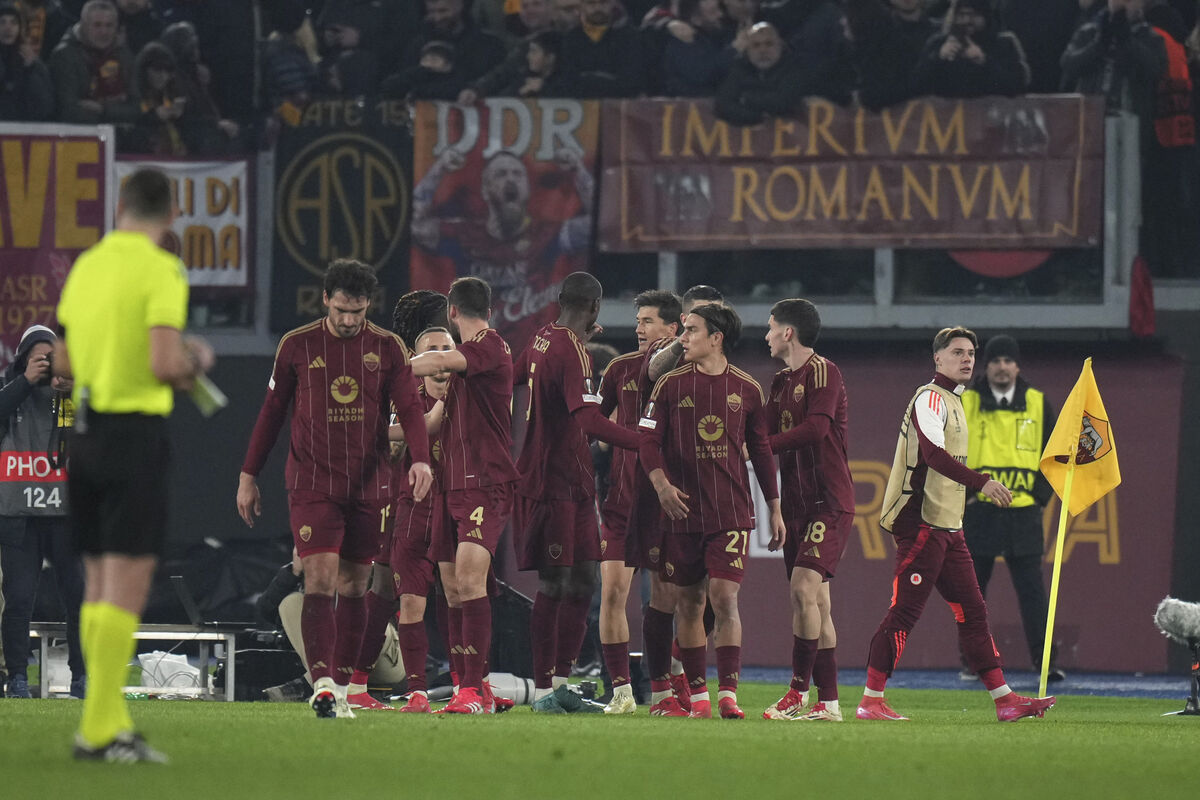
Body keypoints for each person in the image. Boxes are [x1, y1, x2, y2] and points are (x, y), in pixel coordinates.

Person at [55, 167, 215, 761]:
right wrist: (197, 357)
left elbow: (65, 356)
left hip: (87, 432)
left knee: (97, 581)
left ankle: (106, 723)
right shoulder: (161, 268)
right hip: (133, 436)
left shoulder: (87, 264)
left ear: (120, 205)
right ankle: (97, 731)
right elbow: (163, 361)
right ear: (170, 213)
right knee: (126, 582)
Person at [237, 259, 432, 720]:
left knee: (356, 584)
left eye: (358, 312)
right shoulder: (296, 345)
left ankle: (343, 687)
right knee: (320, 577)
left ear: (369, 306)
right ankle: (322, 682)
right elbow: (271, 414)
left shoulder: (387, 348)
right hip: (312, 483)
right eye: (342, 310)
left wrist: (420, 458)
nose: (349, 321)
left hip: (369, 484)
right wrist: (248, 474)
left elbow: (408, 406)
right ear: (326, 299)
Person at [857, 326, 1056, 722]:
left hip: (948, 525)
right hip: (922, 523)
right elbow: (932, 454)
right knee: (905, 612)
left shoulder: (955, 400)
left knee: (974, 612)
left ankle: (1004, 701)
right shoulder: (930, 397)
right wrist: (983, 481)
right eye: (958, 352)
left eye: (970, 353)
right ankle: (870, 700)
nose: (968, 359)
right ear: (937, 359)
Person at [638, 303, 784, 719]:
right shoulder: (668, 385)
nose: (682, 338)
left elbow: (761, 451)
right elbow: (647, 443)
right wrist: (662, 486)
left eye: (691, 331)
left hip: (730, 513)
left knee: (723, 598)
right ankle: (699, 699)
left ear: (716, 337)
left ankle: (729, 695)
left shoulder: (749, 389)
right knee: (688, 603)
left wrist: (774, 507)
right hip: (682, 512)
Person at [510, 272, 641, 710]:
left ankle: (562, 683)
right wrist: (643, 439)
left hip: (575, 483)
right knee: (555, 583)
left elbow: (514, 376)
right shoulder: (572, 352)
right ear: (596, 308)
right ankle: (544, 689)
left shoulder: (544, 337)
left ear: (561, 301)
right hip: (552, 482)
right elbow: (587, 421)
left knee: (585, 578)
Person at [407, 276, 519, 714]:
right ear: (489, 308)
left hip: (484, 483)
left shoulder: (489, 349)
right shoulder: (460, 366)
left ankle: (472, 691)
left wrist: (380, 363)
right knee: (453, 589)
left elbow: (428, 364)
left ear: (452, 312)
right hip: (450, 485)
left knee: (470, 582)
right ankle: (475, 687)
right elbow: (433, 423)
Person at [760, 299, 853, 722]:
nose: (766, 334)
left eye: (770, 326)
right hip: (797, 506)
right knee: (817, 603)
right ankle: (829, 704)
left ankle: (797, 691)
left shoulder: (824, 371)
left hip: (828, 502)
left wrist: (759, 447)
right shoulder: (779, 382)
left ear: (787, 333)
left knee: (802, 589)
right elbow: (755, 429)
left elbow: (816, 429)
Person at [595, 290, 682, 715]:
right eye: (638, 321)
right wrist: (632, 442)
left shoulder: (689, 374)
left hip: (667, 505)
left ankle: (666, 690)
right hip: (621, 500)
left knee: (664, 600)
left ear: (673, 329)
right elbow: (593, 424)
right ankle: (622, 692)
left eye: (648, 321)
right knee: (613, 592)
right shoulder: (618, 369)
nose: (638, 329)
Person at [960, 335, 1065, 682]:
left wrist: (1039, 497)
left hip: (1023, 513)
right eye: (995, 361)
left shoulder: (1037, 402)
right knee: (972, 594)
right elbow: (949, 452)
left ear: (1018, 366)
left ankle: (1046, 664)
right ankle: (973, 663)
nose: (1002, 367)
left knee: (1033, 593)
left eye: (1008, 361)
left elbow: (1056, 454)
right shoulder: (967, 401)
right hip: (980, 513)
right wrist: (966, 498)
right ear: (985, 366)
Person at [0, 326, 84, 700]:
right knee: (18, 599)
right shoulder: (11, 393)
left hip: (65, 515)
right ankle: (17, 677)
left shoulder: (70, 396)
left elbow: (100, 429)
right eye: (39, 358)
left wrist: (73, 392)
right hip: (19, 516)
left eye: (52, 358)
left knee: (78, 597)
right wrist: (24, 382)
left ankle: (83, 677)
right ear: (22, 361)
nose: (47, 365)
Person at [388, 325, 454, 713]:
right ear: (416, 359)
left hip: (459, 509)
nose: (441, 357)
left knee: (461, 599)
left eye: (447, 348)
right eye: (432, 350)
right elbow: (388, 453)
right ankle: (417, 692)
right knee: (411, 604)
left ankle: (469, 687)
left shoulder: (474, 394)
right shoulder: (402, 400)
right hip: (412, 511)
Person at [913, 0, 1031, 98]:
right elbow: (916, 85)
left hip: (992, 121)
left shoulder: (1004, 43)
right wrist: (938, 58)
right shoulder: (937, 43)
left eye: (974, 15)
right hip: (947, 121)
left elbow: (1020, 84)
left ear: (985, 16)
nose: (967, 20)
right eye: (962, 14)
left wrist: (984, 61)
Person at [49, 0, 138, 126]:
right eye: (97, 25)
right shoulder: (64, 56)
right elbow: (68, 110)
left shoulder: (124, 56)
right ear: (84, 26)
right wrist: (116, 112)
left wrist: (102, 109)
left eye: (109, 25)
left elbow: (137, 108)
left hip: (122, 137)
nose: (104, 32)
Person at [714, 22, 803, 125]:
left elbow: (784, 101)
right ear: (747, 50)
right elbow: (723, 105)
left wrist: (745, 98)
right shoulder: (739, 68)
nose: (763, 50)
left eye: (769, 44)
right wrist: (757, 118)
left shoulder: (793, 67)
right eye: (756, 45)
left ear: (780, 45)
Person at [556, 0, 645, 97]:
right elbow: (567, 81)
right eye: (591, 3)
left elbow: (630, 82)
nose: (598, 8)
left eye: (603, 2)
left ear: (612, 4)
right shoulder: (570, 39)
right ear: (581, 5)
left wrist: (587, 79)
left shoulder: (629, 37)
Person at [0, 2, 54, 120]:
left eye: (13, 22)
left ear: (20, 28)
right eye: (2, 22)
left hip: (25, 128)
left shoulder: (34, 63)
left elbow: (45, 106)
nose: (8, 28)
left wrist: (30, 69)